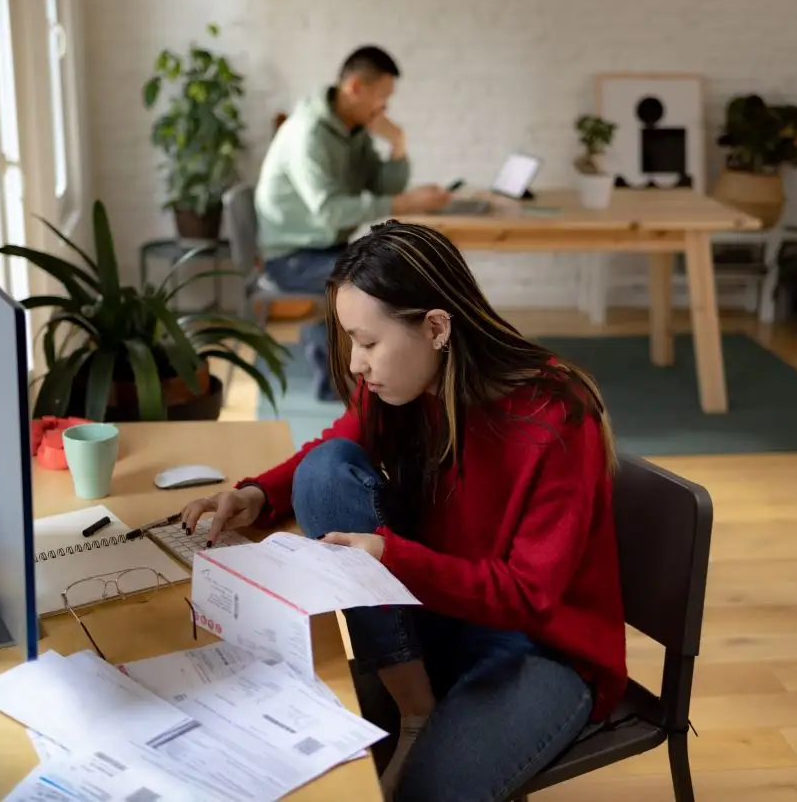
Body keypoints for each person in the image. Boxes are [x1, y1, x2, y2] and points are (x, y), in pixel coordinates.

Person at [180, 220, 627, 802]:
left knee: (422, 794)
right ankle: (417, 710)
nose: (357, 365)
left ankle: (419, 716)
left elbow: (528, 595)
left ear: (436, 327)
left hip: (538, 645)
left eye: (367, 343)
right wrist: (257, 495)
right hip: (440, 608)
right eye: (350, 342)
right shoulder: (406, 383)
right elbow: (336, 448)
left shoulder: (558, 416)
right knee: (326, 470)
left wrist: (391, 557)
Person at [254, 45, 451, 402]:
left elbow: (384, 184)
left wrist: (398, 143)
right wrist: (406, 203)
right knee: (380, 284)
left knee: (397, 269)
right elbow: (330, 211)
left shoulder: (351, 131)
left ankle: (393, 371)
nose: (384, 108)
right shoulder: (309, 134)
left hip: (328, 249)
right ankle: (342, 382)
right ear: (356, 88)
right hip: (293, 257)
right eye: (382, 98)